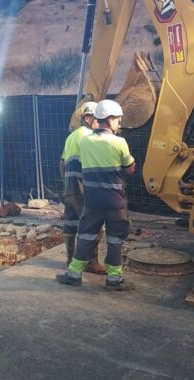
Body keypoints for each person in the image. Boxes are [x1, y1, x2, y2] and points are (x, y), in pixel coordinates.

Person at [56, 99, 136, 291]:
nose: (119, 123)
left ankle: (74, 275)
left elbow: (78, 164)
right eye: (117, 119)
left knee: (85, 236)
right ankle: (114, 280)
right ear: (109, 119)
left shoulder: (84, 141)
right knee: (115, 240)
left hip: (92, 202)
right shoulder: (120, 142)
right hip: (115, 202)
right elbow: (130, 169)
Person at [60, 101, 106, 275]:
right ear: (88, 117)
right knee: (92, 223)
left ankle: (70, 259)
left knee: (71, 224)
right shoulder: (89, 137)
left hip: (71, 187)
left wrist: (66, 185)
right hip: (83, 187)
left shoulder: (72, 136)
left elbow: (62, 162)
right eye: (98, 119)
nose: (100, 123)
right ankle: (92, 262)